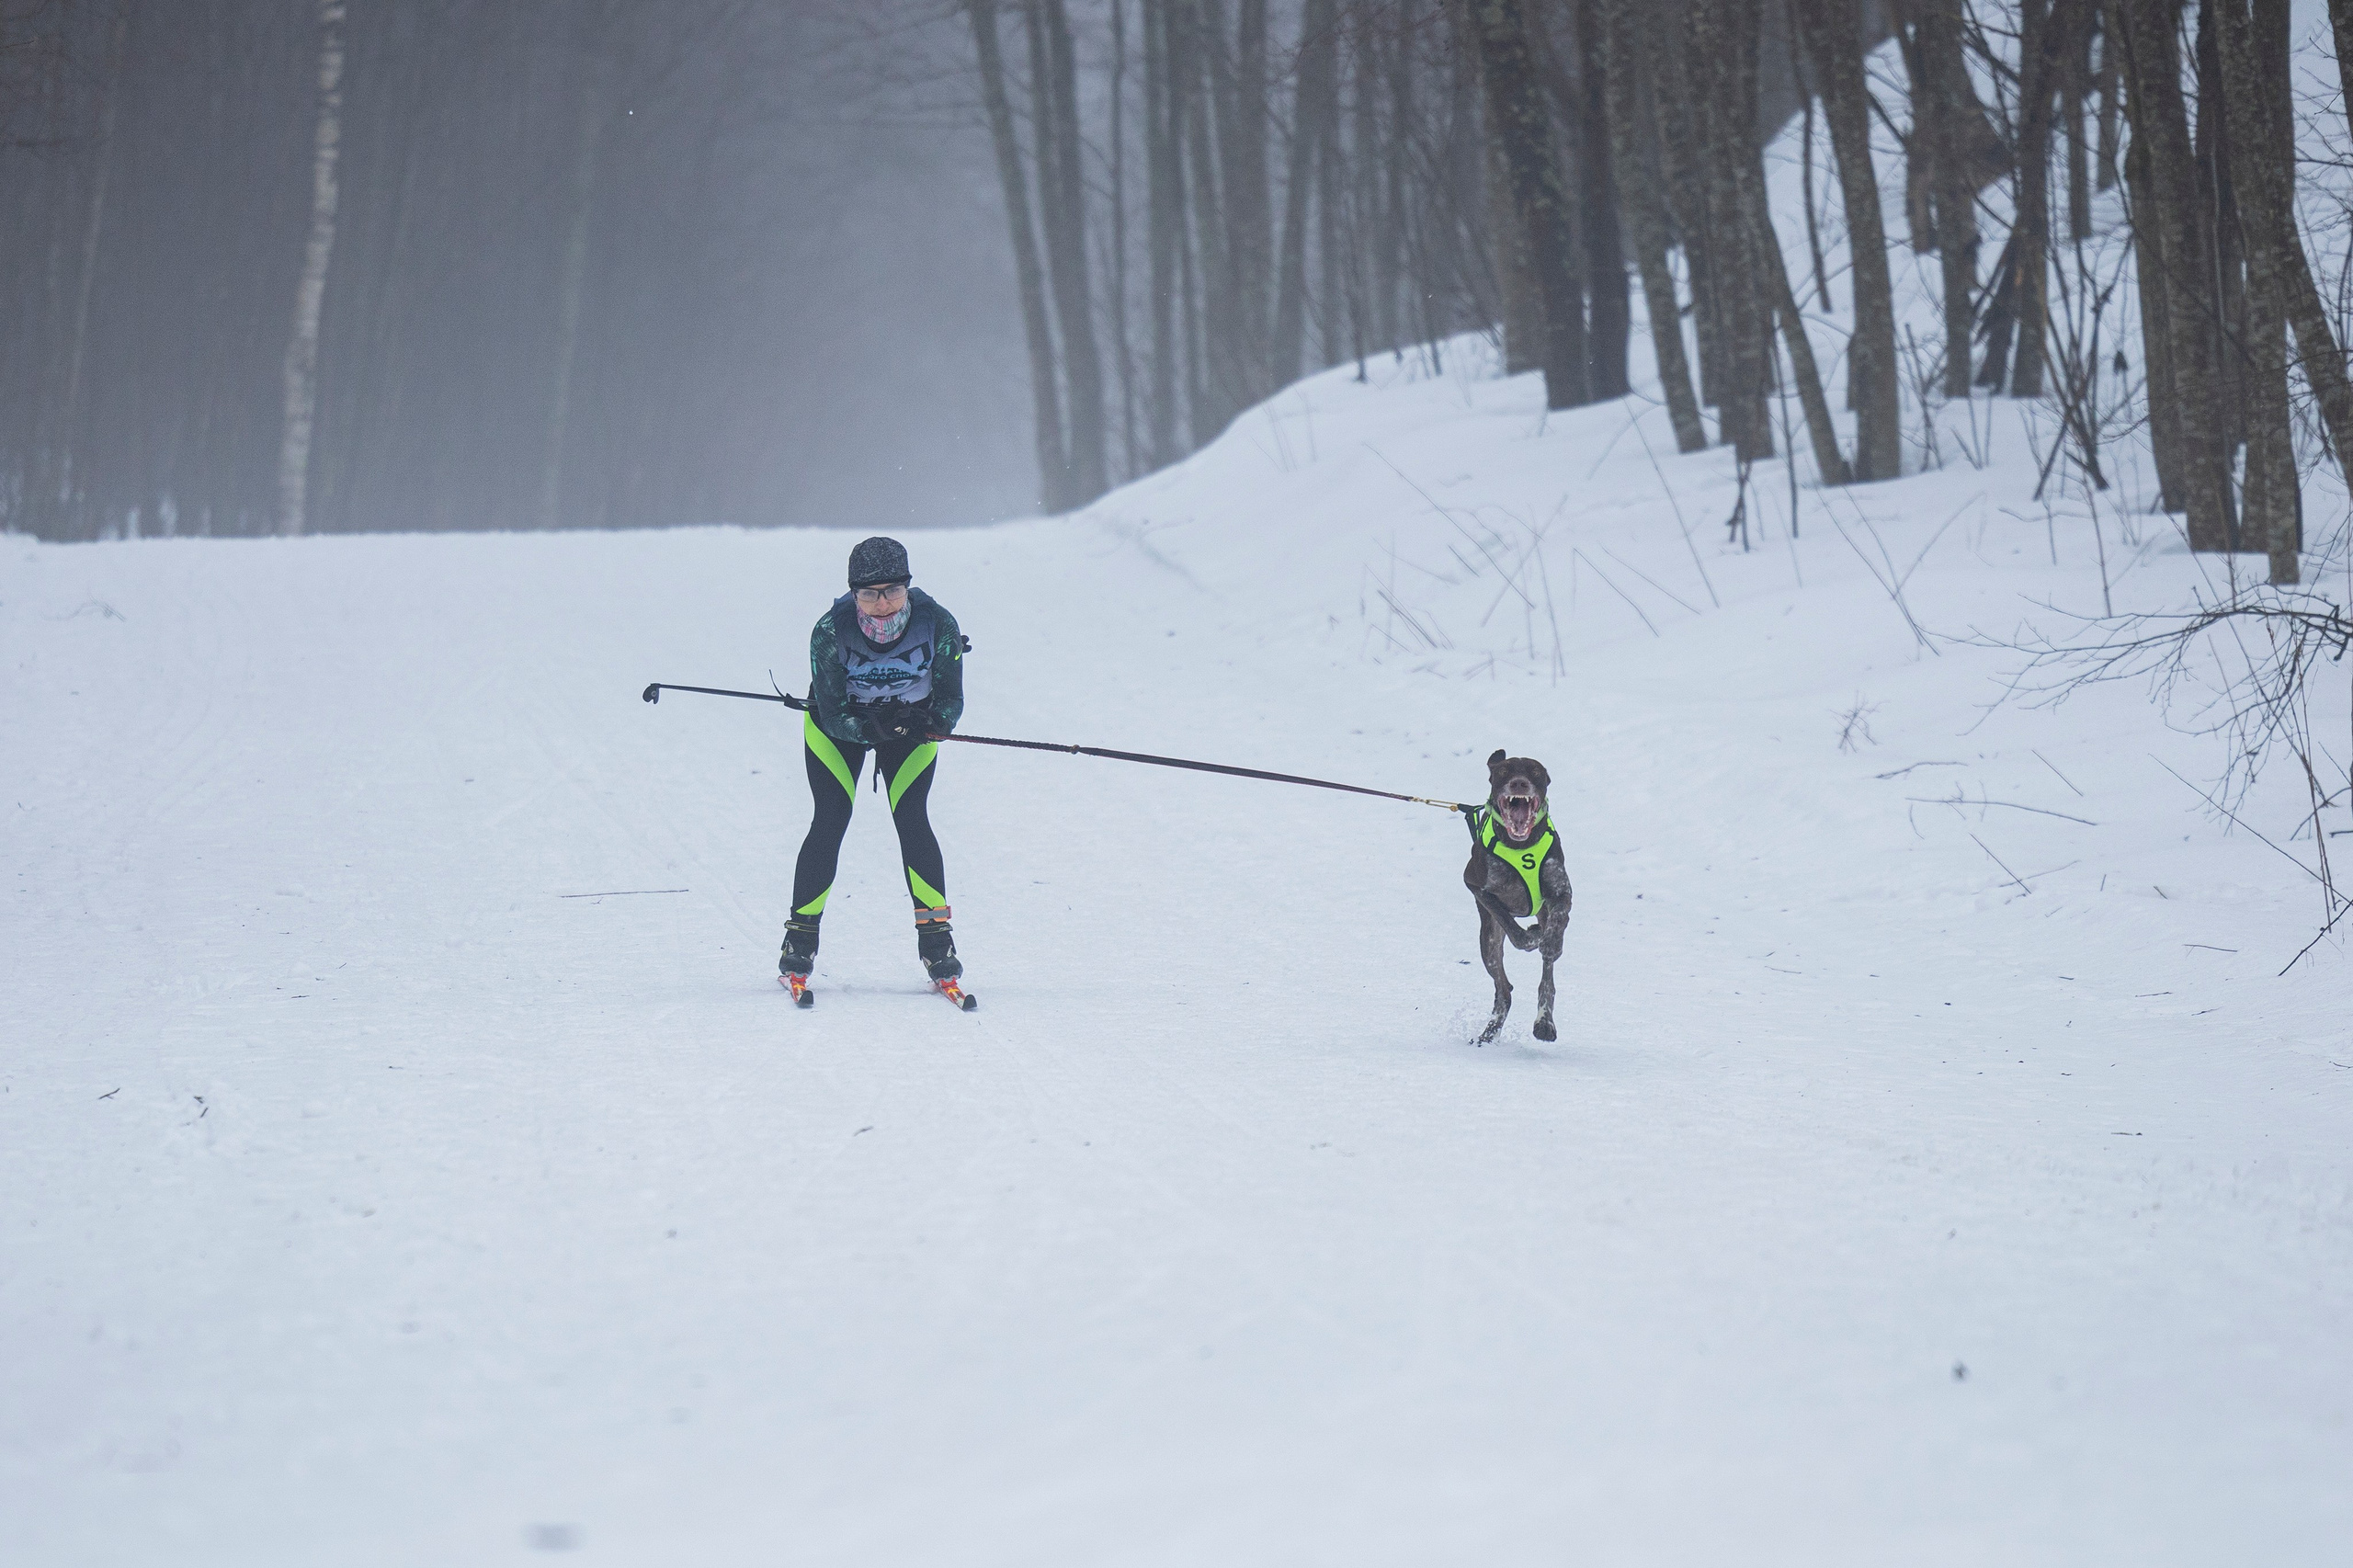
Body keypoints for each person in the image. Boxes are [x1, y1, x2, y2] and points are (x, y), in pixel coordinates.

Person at [780, 536, 968, 995]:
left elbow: (950, 703)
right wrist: (876, 730)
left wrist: (926, 724)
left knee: (913, 820)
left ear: (908, 587)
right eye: (869, 593)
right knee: (830, 819)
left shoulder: (938, 624)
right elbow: (834, 711)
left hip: (910, 729)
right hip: (836, 730)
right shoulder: (830, 630)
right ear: (853, 593)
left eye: (892, 591)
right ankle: (799, 940)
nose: (882, 604)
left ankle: (937, 942)